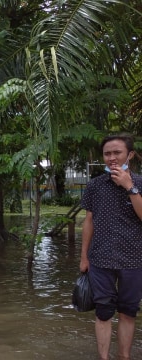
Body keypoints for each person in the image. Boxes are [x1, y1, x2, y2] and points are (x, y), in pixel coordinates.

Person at [80, 134, 142, 360]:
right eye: (108, 154)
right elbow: (88, 221)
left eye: (117, 152)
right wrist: (84, 257)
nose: (112, 158)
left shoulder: (141, 183)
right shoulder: (95, 186)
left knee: (127, 312)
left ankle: (124, 357)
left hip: (134, 259)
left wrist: (129, 186)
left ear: (130, 155)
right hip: (100, 259)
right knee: (103, 312)